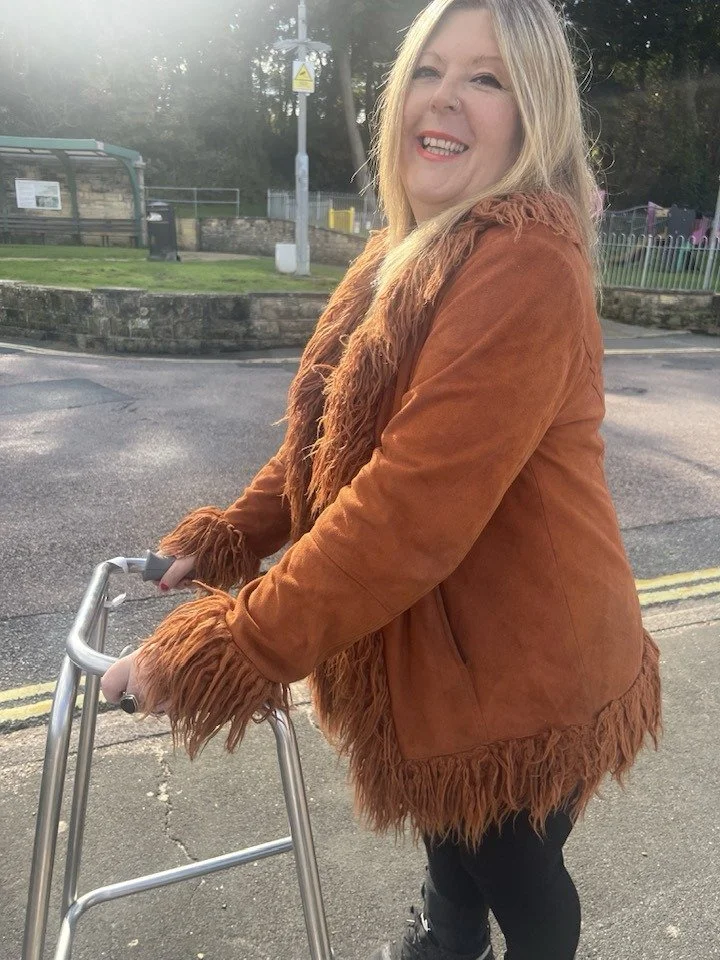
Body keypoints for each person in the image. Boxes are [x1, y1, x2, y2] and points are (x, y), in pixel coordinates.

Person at [101, 1, 663, 958]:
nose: (443, 99)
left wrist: (230, 644)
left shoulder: (525, 257)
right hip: (437, 664)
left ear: (535, 115)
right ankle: (445, 938)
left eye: (487, 79)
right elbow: (327, 435)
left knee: (520, 883)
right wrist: (226, 536)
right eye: (431, 69)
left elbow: (408, 506)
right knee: (451, 856)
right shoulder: (408, 246)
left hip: (523, 672)